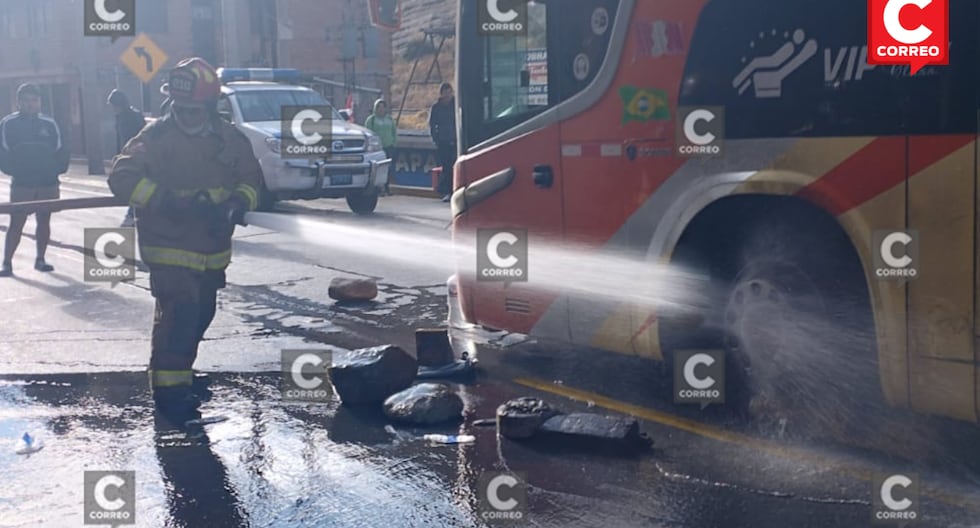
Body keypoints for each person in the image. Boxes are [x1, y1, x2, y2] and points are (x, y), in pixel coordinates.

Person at [108, 57, 262, 416]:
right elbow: (121, 178)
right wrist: (167, 201)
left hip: (211, 248)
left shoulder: (230, 138)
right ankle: (170, 396)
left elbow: (253, 181)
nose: (186, 116)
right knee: (180, 315)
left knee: (202, 313)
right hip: (168, 246)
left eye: (194, 110)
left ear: (210, 107)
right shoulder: (156, 137)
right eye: (181, 109)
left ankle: (181, 376)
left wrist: (238, 202)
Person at [0, 83, 70, 277]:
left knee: (44, 220)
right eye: (27, 100)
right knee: (17, 222)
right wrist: (15, 170)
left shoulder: (49, 123)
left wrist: (57, 170)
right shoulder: (8, 124)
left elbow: (62, 148)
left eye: (35, 100)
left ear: (40, 102)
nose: (31, 104)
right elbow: (3, 151)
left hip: (48, 182)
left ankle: (41, 259)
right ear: (18, 102)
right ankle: (7, 263)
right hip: (23, 182)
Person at [107, 89, 148, 227]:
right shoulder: (129, 116)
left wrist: (122, 157)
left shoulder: (127, 118)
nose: (112, 109)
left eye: (113, 106)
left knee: (134, 186)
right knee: (135, 186)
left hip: (135, 156)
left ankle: (131, 214)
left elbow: (128, 141)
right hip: (135, 155)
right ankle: (132, 213)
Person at [429, 83, 456, 202]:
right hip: (443, 141)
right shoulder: (436, 107)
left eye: (449, 91)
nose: (447, 94)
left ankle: (456, 190)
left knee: (456, 166)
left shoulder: (456, 104)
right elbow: (432, 124)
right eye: (445, 92)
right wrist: (436, 139)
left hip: (455, 140)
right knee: (446, 167)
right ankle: (448, 192)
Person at [364, 98, 396, 195]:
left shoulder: (389, 119)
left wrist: (393, 142)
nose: (381, 109)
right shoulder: (371, 120)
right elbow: (367, 133)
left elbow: (394, 131)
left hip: (389, 147)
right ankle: (377, 189)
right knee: (377, 169)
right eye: (379, 107)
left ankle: (387, 188)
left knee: (388, 169)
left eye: (383, 107)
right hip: (377, 149)